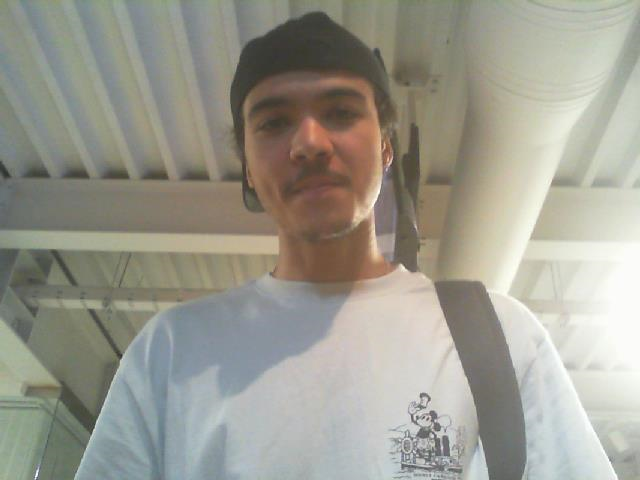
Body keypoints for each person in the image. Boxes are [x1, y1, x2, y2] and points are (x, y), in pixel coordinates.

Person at [75, 12, 616, 480]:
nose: (309, 142)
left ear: (385, 146)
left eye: (340, 113)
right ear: (248, 169)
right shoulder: (172, 354)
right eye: (274, 122)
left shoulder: (498, 338)